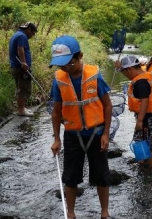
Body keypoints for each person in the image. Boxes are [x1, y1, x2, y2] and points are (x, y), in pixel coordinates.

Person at [49, 35, 112, 219]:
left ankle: (104, 212)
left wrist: (106, 133)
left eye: (68, 63)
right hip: (72, 136)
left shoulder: (94, 75)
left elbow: (107, 105)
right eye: (60, 64)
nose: (63, 68)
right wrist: (56, 139)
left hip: (96, 133)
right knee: (70, 177)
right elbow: (56, 112)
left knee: (102, 175)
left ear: (79, 56)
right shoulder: (59, 79)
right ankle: (70, 213)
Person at [115, 55, 152, 168]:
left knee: (148, 145)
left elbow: (144, 101)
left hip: (146, 119)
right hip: (150, 116)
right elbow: (130, 75)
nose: (126, 75)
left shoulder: (140, 83)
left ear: (130, 69)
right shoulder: (145, 74)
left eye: (125, 72)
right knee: (142, 141)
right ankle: (143, 164)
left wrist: (140, 120)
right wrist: (120, 68)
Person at [9, 22, 38, 116]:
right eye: (33, 33)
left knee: (20, 87)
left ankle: (21, 108)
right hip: (21, 68)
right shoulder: (22, 36)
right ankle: (21, 110)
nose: (32, 36)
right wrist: (24, 62)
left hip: (16, 66)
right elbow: (20, 49)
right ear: (29, 29)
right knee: (24, 88)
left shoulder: (16, 34)